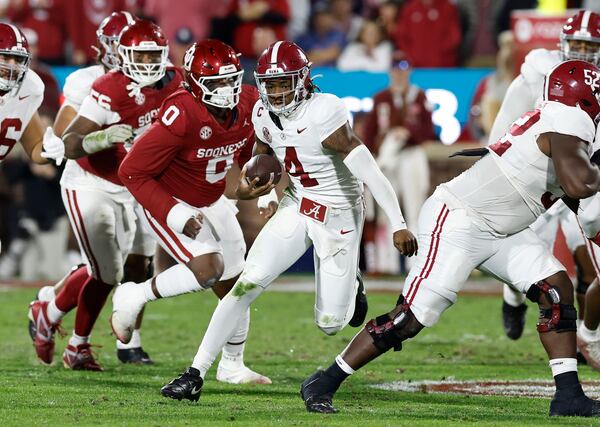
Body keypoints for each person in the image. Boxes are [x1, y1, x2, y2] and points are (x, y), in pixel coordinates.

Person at [300, 59, 600, 417]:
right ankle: (324, 380)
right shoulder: (569, 120)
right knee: (410, 318)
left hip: (501, 230)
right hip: (460, 220)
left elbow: (579, 198)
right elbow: (581, 183)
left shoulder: (557, 119)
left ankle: (567, 396)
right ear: (586, 97)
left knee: (555, 288)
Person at [158, 40, 417, 402]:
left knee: (330, 325)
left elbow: (370, 171)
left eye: (284, 83)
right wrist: (265, 192)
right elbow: (263, 156)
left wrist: (399, 221)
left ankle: (353, 285)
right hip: (297, 203)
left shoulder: (325, 111)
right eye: (271, 84)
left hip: (338, 211)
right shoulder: (262, 113)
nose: (276, 92)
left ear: (304, 79)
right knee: (246, 284)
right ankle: (194, 373)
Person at [111, 39, 270, 385]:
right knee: (209, 268)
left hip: (212, 199)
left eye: (231, 80)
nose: (227, 90)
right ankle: (133, 294)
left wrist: (258, 191)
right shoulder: (182, 113)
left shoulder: (248, 103)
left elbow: (246, 152)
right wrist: (173, 213)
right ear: (194, 82)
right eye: (216, 83)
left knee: (237, 286)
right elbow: (131, 171)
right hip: (171, 199)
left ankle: (231, 364)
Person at [28, 19, 180, 371]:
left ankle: (63, 322)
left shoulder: (170, 79)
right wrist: (100, 138)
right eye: (123, 46)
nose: (142, 61)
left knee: (128, 265)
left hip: (136, 183)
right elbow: (68, 141)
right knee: (106, 268)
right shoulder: (93, 82)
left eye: (150, 54)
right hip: (90, 180)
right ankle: (60, 321)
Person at [490, 10, 600, 342]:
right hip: (543, 174)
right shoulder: (541, 70)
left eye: (588, 46)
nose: (581, 52)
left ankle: (585, 338)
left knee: (584, 254)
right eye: (575, 44)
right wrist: (493, 157)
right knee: (529, 242)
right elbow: (508, 117)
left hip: (583, 175)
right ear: (563, 44)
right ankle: (512, 298)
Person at [364, 52, 434, 273]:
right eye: (396, 68)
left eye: (403, 69)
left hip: (411, 153)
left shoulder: (419, 97)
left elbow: (428, 131)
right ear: (390, 71)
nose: (400, 73)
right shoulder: (380, 98)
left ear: (409, 71)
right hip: (387, 156)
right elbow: (369, 133)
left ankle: (416, 262)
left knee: (415, 208)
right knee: (387, 209)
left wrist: (407, 132)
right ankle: (387, 263)